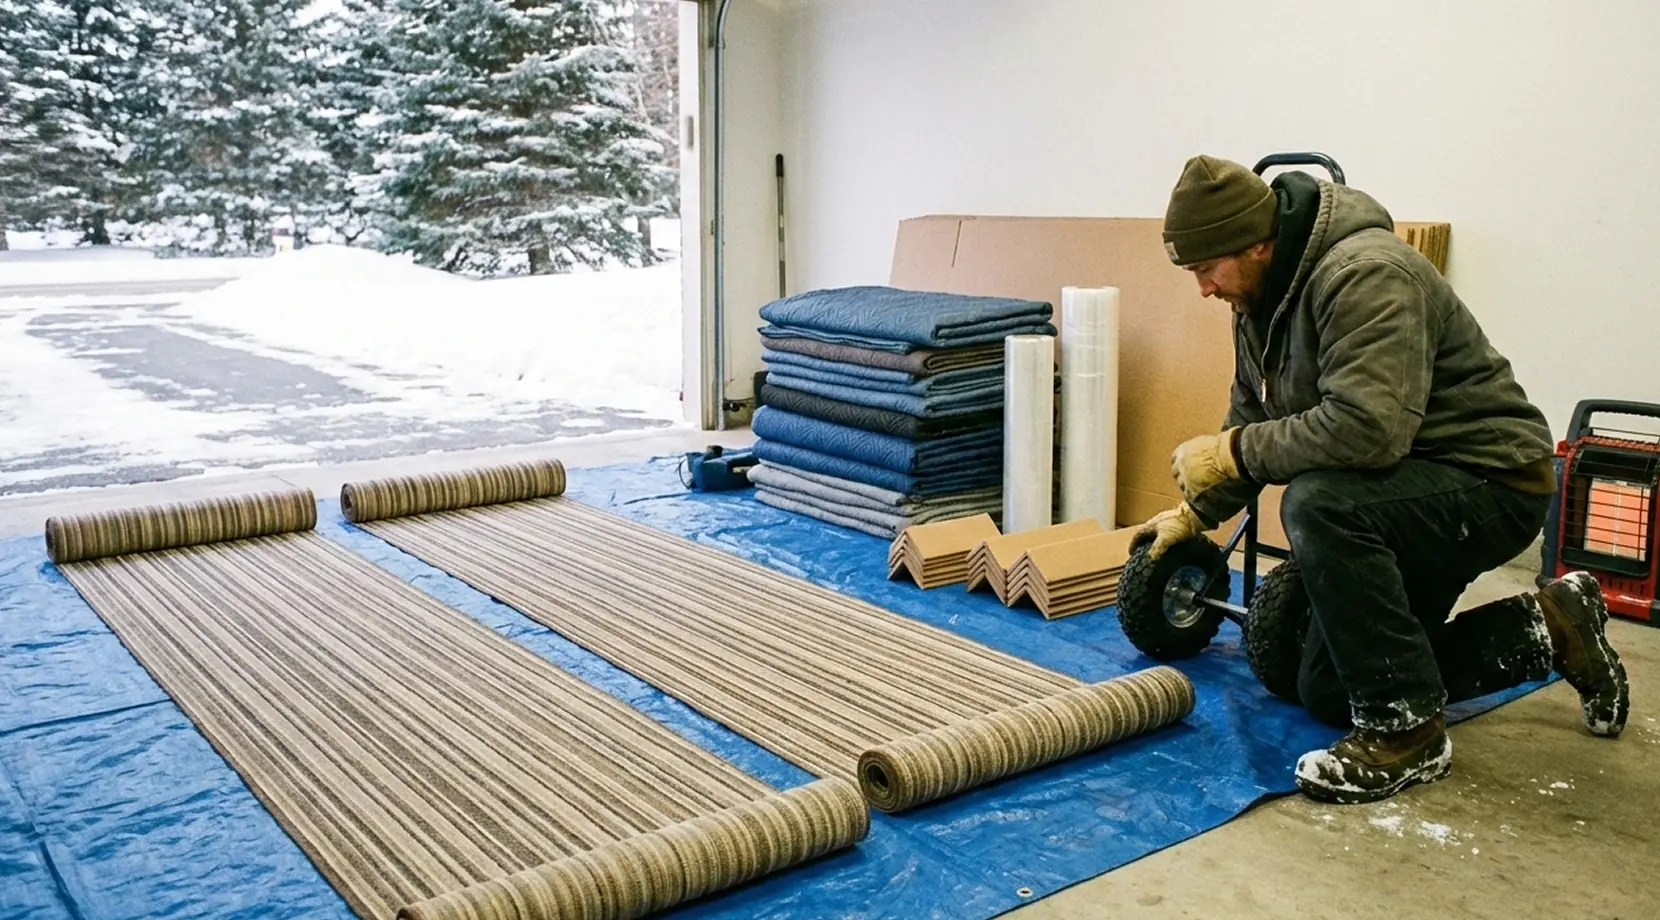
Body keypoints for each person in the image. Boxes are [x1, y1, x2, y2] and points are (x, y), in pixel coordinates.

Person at [1137, 154, 1630, 804]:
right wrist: (1196, 511)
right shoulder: (1259, 297)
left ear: (1256, 243)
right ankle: (1554, 626)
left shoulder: (1366, 275)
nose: (1203, 287)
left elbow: (1368, 429)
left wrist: (1234, 454)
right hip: (1405, 489)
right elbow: (1252, 413)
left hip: (1490, 481)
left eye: (1206, 268)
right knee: (1328, 689)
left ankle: (1407, 732)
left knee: (1317, 504)